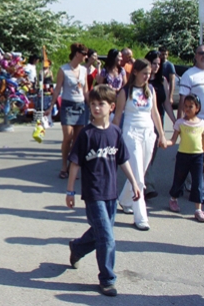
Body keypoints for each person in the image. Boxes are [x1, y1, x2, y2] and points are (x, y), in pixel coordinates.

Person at [66, 85, 140, 297]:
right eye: (93, 104)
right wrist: (70, 191)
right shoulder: (86, 134)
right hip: (93, 194)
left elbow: (123, 160)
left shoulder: (115, 132)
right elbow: (75, 163)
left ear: (112, 107)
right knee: (107, 237)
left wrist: (134, 182)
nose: (96, 108)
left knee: (100, 232)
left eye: (101, 104)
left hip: (111, 193)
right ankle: (107, 279)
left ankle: (77, 248)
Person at [112, 59, 167, 231]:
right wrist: (111, 137)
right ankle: (141, 216)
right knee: (139, 178)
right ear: (135, 72)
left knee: (139, 172)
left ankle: (125, 199)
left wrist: (162, 135)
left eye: (149, 74)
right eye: (144, 73)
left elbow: (155, 113)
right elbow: (117, 117)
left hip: (148, 134)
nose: (147, 77)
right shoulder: (125, 92)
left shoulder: (150, 90)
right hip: (131, 134)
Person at [45, 43, 89, 179]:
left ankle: (72, 166)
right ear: (77, 54)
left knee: (77, 139)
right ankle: (64, 165)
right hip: (68, 105)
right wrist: (51, 106)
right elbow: (57, 89)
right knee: (68, 137)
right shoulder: (63, 69)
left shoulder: (84, 70)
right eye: (84, 54)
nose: (86, 57)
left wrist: (91, 106)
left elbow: (86, 90)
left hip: (81, 105)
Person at [167, 93, 204, 222]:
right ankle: (173, 199)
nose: (187, 109)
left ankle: (198, 210)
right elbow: (173, 140)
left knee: (197, 182)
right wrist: (165, 142)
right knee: (179, 179)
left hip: (197, 157)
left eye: (191, 106)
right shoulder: (180, 123)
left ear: (197, 108)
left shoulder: (202, 124)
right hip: (183, 156)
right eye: (185, 106)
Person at [177, 44, 204, 200]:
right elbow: (183, 100)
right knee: (197, 154)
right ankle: (198, 188)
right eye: (201, 53)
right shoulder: (189, 75)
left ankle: (196, 183)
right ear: (196, 56)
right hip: (196, 122)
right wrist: (180, 121)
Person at [143, 50, 176, 200]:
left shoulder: (162, 80)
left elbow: (166, 104)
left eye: (158, 64)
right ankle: (147, 185)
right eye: (153, 63)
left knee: (151, 154)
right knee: (144, 154)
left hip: (158, 121)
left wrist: (175, 121)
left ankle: (143, 182)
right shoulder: (142, 80)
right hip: (144, 121)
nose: (156, 66)